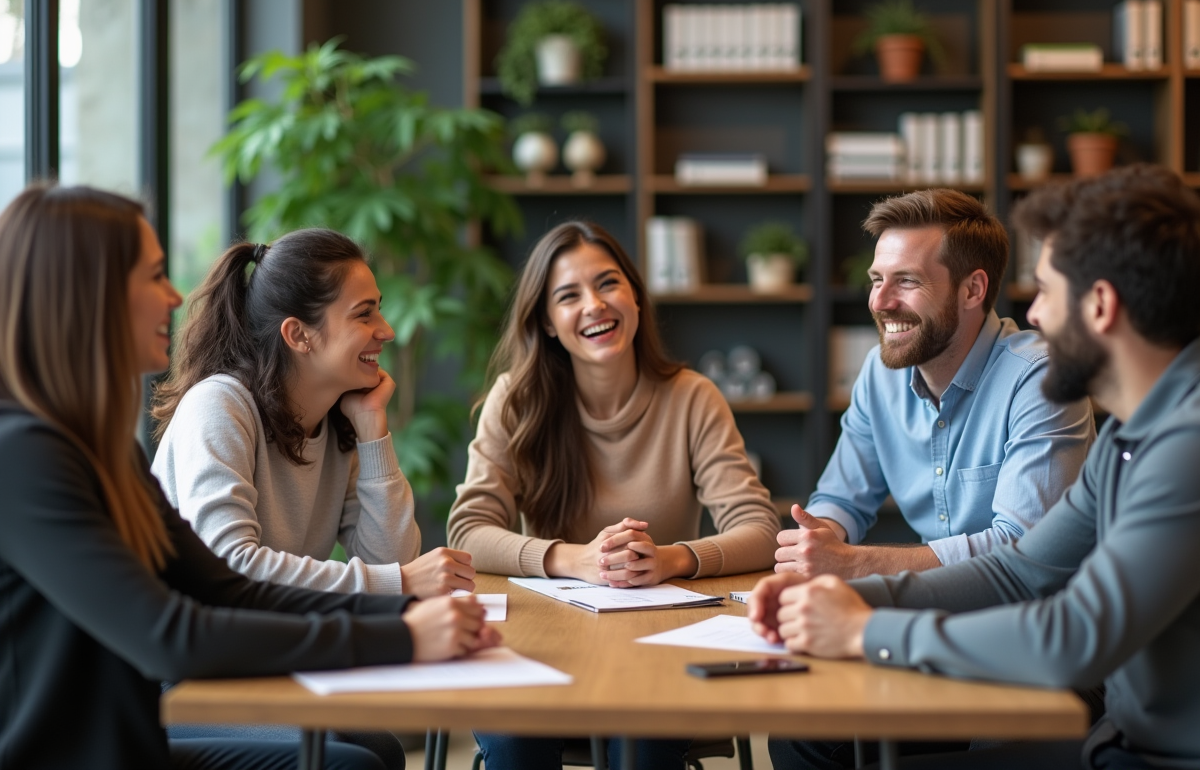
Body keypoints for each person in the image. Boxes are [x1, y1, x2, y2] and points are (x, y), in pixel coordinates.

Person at [0, 184, 498, 770]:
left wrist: (403, 613)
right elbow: (171, 634)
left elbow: (224, 587)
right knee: (352, 764)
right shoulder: (22, 457)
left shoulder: (100, 450)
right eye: (153, 275)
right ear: (89, 295)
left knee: (374, 753)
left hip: (127, 742)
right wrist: (405, 633)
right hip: (77, 752)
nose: (175, 294)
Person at [750, 164, 1200, 769]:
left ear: (1099, 305)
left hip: (1150, 750)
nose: (1034, 315)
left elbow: (1074, 633)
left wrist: (864, 630)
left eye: (1046, 292)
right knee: (815, 733)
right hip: (1118, 736)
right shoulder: (1130, 429)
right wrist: (852, 599)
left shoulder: (1186, 444)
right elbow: (1021, 570)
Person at [447, 221, 780, 770]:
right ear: (548, 323)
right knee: (513, 744)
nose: (594, 305)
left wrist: (672, 558)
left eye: (607, 284)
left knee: (645, 744)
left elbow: (761, 530)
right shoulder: (516, 399)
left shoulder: (693, 397)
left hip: (658, 643)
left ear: (635, 298)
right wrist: (575, 559)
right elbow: (468, 530)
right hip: (543, 640)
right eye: (568, 295)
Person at [776, 189, 1093, 583]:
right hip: (930, 608)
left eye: (906, 281)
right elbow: (842, 499)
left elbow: (1024, 548)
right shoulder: (880, 373)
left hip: (1033, 622)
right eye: (877, 280)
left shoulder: (1040, 377)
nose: (879, 302)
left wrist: (854, 563)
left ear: (972, 290)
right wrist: (819, 538)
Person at [151, 229, 475, 599]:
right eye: (364, 314)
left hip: (273, 643)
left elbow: (390, 560)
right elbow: (229, 566)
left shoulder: (337, 420)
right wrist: (398, 580)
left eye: (378, 310)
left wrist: (373, 431)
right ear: (299, 335)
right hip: (191, 650)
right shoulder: (218, 407)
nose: (386, 331)